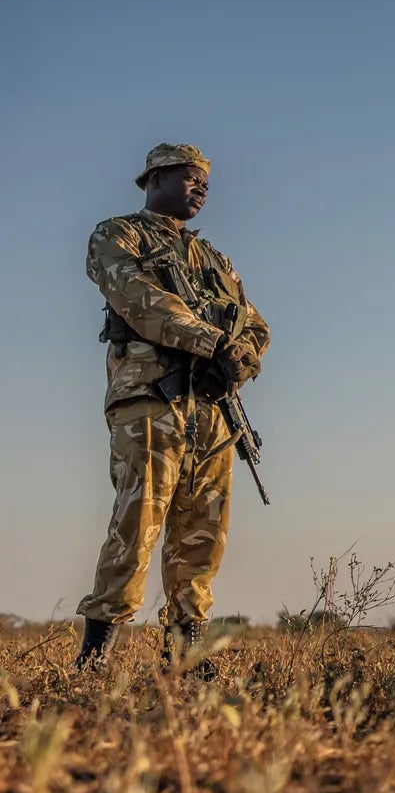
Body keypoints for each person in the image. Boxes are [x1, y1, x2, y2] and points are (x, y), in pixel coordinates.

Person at [76, 143, 270, 671]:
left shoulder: (215, 260)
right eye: (189, 177)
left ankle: (186, 653)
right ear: (154, 179)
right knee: (137, 521)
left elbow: (254, 325)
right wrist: (213, 344)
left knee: (204, 531)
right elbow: (138, 298)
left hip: (211, 406)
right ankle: (96, 655)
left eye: (205, 181)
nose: (201, 188)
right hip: (149, 399)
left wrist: (238, 362)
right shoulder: (118, 235)